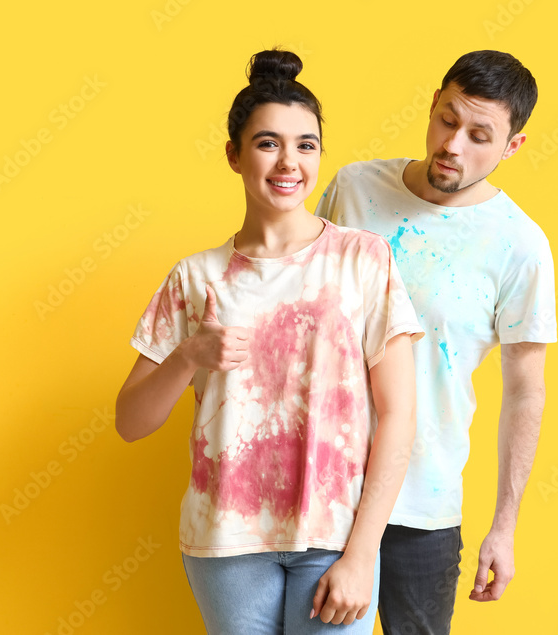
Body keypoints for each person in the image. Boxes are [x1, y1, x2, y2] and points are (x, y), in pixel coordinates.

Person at [115, 49, 423, 634]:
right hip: (226, 540)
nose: (289, 162)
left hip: (334, 536)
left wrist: (362, 554)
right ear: (234, 154)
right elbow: (130, 420)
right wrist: (188, 356)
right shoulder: (195, 277)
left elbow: (400, 414)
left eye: (306, 145)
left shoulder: (363, 259)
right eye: (268, 143)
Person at [315, 49, 556, 634]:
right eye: (448, 120)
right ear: (431, 106)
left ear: (511, 147)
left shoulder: (519, 245)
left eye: (480, 135)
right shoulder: (353, 190)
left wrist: (504, 525)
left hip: (424, 503)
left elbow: (525, 392)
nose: (453, 145)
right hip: (321, 483)